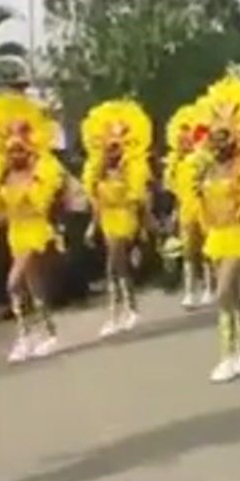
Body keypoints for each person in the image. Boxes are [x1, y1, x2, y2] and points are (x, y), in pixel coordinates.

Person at [0, 91, 67, 362]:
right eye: (10, 148)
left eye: (19, 148)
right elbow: (0, 211)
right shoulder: (1, 177)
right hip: (16, 233)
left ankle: (24, 335)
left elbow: (46, 203)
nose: (15, 152)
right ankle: (48, 334)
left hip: (36, 231)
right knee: (34, 287)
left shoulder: (41, 173)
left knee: (13, 283)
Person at [186, 73, 240, 382]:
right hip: (215, 236)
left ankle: (227, 356)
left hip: (237, 235)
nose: (218, 142)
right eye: (214, 136)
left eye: (224, 136)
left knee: (222, 293)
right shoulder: (204, 169)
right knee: (232, 296)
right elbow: (193, 199)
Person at [81, 99, 152, 337]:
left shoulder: (133, 169)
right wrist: (92, 226)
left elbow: (141, 199)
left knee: (113, 263)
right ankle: (126, 310)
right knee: (117, 266)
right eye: (108, 147)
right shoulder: (97, 172)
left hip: (125, 217)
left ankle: (119, 312)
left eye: (116, 146)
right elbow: (96, 202)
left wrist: (144, 227)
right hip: (107, 219)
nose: (112, 151)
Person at [164, 102, 215, 309]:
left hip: (206, 208)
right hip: (186, 210)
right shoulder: (176, 164)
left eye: (187, 138)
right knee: (188, 252)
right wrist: (174, 213)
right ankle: (189, 291)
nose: (184, 142)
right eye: (180, 139)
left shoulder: (203, 159)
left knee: (206, 251)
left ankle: (209, 288)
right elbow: (176, 191)